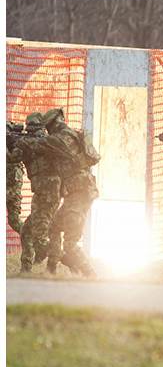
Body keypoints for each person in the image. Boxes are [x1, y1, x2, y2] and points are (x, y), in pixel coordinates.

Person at [40, 108, 100, 277]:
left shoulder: (61, 138)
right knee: (54, 227)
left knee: (70, 243)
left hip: (80, 193)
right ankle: (51, 269)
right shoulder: (70, 135)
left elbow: (39, 144)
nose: (48, 130)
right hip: (76, 192)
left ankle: (91, 275)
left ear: (54, 123)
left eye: (48, 126)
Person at [11, 113, 61, 272]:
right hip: (45, 192)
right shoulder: (39, 141)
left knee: (41, 233)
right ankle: (26, 269)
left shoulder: (44, 142)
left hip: (48, 193)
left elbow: (12, 158)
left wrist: (11, 145)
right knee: (27, 231)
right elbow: (16, 157)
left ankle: (61, 255)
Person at [7, 122, 26, 234]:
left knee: (14, 220)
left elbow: (13, 158)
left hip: (12, 188)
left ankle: (30, 239)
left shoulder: (18, 144)